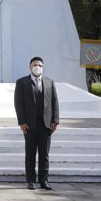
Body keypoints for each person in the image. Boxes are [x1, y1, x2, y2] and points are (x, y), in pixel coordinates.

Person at [14, 56, 59, 190]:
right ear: (30, 66)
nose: (37, 67)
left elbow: (54, 102)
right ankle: (31, 180)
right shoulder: (22, 82)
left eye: (39, 65)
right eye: (35, 65)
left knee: (44, 155)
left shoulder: (49, 82)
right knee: (30, 154)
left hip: (46, 125)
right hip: (29, 125)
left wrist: (55, 121)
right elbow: (18, 104)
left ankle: (44, 181)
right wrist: (21, 122)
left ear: (43, 66)